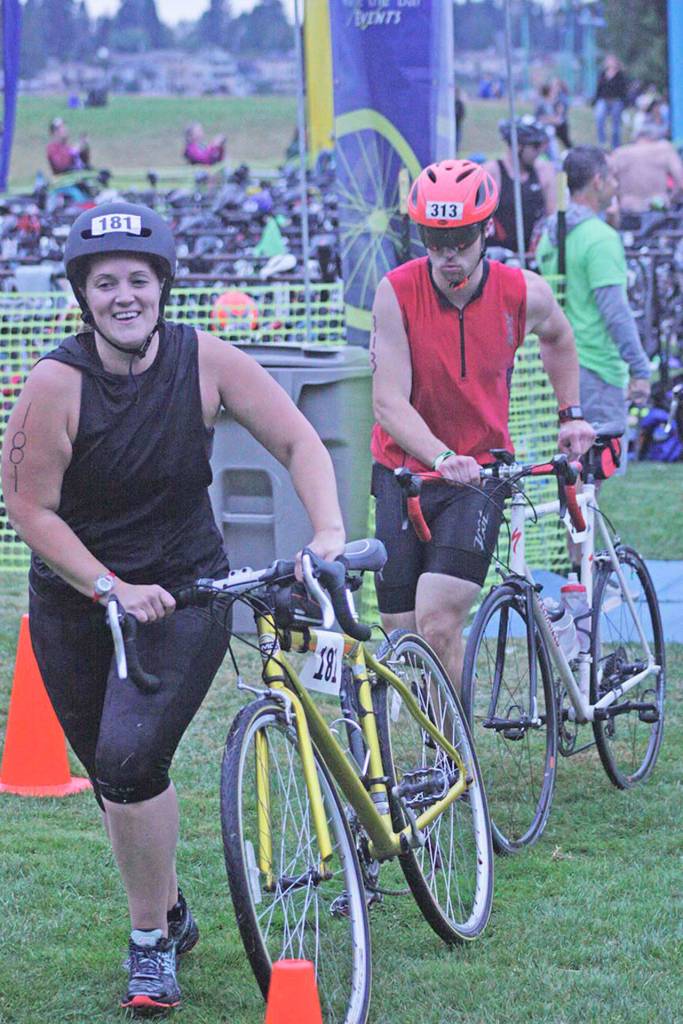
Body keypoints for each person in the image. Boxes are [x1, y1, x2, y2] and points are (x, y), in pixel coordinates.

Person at [0, 202, 346, 1015]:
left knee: (128, 761)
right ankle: (171, 909)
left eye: (139, 279)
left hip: (185, 592)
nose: (125, 295)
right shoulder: (56, 384)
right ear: (83, 297)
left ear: (164, 285)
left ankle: (149, 943)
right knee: (112, 776)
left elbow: (300, 441)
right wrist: (107, 586)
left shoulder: (206, 361)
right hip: (79, 603)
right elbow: (30, 509)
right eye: (105, 282)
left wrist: (327, 530)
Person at [369, 159, 595, 689]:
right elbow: (388, 404)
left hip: (482, 473)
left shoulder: (522, 292)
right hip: (406, 473)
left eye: (461, 238)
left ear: (486, 231)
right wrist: (442, 457)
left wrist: (571, 414)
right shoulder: (396, 292)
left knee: (438, 620)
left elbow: (559, 338)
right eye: (434, 239)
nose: (448, 255)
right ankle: (436, 737)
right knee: (402, 631)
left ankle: (455, 752)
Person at [535, 145, 651, 464]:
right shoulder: (600, 238)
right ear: (598, 181)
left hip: (555, 366)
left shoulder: (551, 234)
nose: (617, 184)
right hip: (596, 370)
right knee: (591, 478)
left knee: (566, 478)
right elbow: (615, 313)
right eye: (613, 176)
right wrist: (640, 369)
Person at [483, 116, 556, 254]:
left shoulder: (544, 171)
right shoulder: (491, 172)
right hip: (498, 254)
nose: (539, 151)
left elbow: (552, 218)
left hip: (531, 255)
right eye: (535, 146)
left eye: (541, 146)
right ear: (518, 146)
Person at [610, 123, 683, 213]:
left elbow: (608, 184)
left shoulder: (620, 153)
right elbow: (681, 183)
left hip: (628, 208)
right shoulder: (664, 149)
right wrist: (671, 200)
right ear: (655, 137)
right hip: (659, 207)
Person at [593, 54, 629, 150]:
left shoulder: (620, 75)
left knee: (615, 125)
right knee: (599, 119)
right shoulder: (602, 74)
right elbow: (599, 88)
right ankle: (602, 142)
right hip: (603, 100)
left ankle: (615, 145)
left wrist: (625, 102)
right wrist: (595, 99)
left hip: (616, 101)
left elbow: (624, 89)